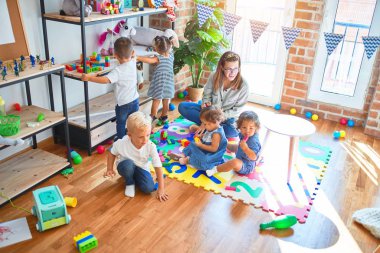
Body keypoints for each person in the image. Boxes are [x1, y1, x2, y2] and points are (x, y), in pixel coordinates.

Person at [178, 51, 249, 138]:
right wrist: (206, 109)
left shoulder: (244, 86)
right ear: (222, 67)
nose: (232, 72)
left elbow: (237, 110)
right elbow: (206, 96)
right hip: (209, 113)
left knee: (233, 132)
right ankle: (211, 128)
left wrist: (212, 120)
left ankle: (206, 127)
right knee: (182, 106)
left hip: (227, 119)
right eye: (229, 69)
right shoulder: (213, 77)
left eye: (235, 68)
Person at [82, 37, 139, 140]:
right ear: (132, 53)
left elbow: (105, 80)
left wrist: (89, 77)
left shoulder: (117, 71)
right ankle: (134, 138)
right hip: (135, 100)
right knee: (134, 122)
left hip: (123, 104)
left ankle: (121, 141)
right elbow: (133, 55)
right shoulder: (133, 61)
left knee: (121, 123)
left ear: (115, 55)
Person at [104, 111, 168, 201]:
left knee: (148, 189)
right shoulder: (122, 143)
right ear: (130, 135)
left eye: (148, 135)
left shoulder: (150, 146)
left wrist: (161, 189)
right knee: (128, 165)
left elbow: (158, 166)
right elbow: (112, 152)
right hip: (125, 166)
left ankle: (134, 177)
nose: (145, 140)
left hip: (141, 168)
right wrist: (109, 169)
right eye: (141, 137)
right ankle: (129, 182)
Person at [206, 111, 261, 177]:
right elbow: (239, 147)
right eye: (244, 127)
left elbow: (254, 157)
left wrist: (246, 148)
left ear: (256, 128)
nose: (247, 131)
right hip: (240, 153)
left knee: (234, 162)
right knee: (225, 143)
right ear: (239, 127)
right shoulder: (243, 134)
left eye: (251, 128)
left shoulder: (253, 141)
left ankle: (215, 170)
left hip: (246, 165)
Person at [137, 36, 175, 125]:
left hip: (160, 83)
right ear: (169, 47)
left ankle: (153, 116)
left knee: (156, 100)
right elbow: (171, 45)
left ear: (157, 49)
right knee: (166, 100)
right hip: (169, 82)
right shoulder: (171, 55)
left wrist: (138, 57)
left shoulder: (158, 58)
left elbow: (149, 60)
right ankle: (164, 117)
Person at [178, 106, 227, 172]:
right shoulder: (211, 127)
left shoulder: (216, 134)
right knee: (193, 143)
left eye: (205, 124)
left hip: (212, 154)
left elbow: (213, 149)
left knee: (205, 160)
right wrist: (202, 136)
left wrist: (201, 145)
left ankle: (188, 160)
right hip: (206, 147)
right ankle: (184, 154)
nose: (203, 125)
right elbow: (209, 137)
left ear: (214, 122)